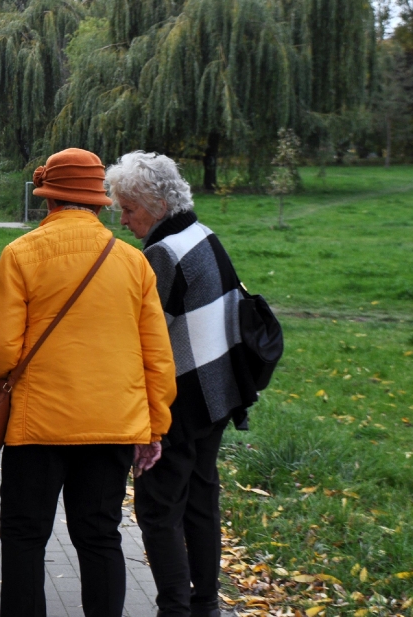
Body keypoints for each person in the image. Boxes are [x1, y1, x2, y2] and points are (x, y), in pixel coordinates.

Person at [0, 148, 177, 617]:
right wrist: (155, 427)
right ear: (99, 201)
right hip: (112, 427)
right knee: (100, 535)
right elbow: (157, 357)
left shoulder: (21, 254)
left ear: (48, 198)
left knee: (25, 536)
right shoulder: (133, 262)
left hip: (37, 427)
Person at [105, 151, 248, 617]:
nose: (123, 220)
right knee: (201, 501)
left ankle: (175, 608)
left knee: (157, 508)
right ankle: (205, 604)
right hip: (219, 393)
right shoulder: (202, 234)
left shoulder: (162, 252)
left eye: (130, 209)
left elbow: (146, 333)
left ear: (159, 206)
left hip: (183, 399)